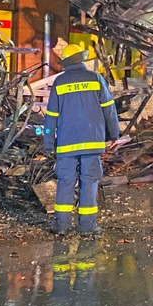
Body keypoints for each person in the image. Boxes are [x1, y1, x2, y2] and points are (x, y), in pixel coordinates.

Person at [43, 42, 120, 235]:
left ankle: (62, 227)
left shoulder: (59, 83)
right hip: (92, 142)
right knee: (89, 182)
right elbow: (109, 110)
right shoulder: (95, 79)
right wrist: (114, 134)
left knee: (65, 182)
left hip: (66, 145)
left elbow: (50, 116)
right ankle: (87, 226)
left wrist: (48, 143)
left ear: (66, 62)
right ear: (81, 59)